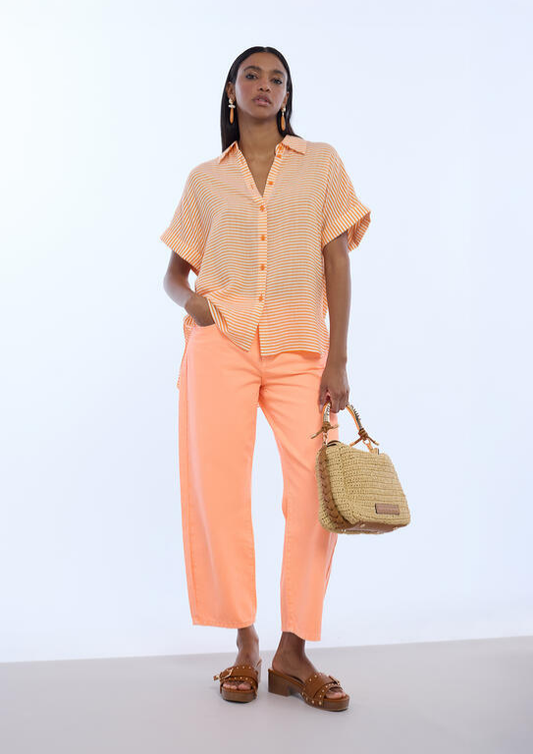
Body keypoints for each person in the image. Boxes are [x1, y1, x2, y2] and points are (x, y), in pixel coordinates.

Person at [160, 46, 371, 711]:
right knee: (219, 492)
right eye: (251, 74)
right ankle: (245, 644)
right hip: (219, 345)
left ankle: (293, 651)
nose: (264, 84)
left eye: (276, 78)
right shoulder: (205, 180)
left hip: (301, 349)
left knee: (315, 494)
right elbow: (174, 274)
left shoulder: (320, 164)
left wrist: (338, 359)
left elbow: (337, 260)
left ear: (287, 96)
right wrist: (192, 303)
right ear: (232, 90)